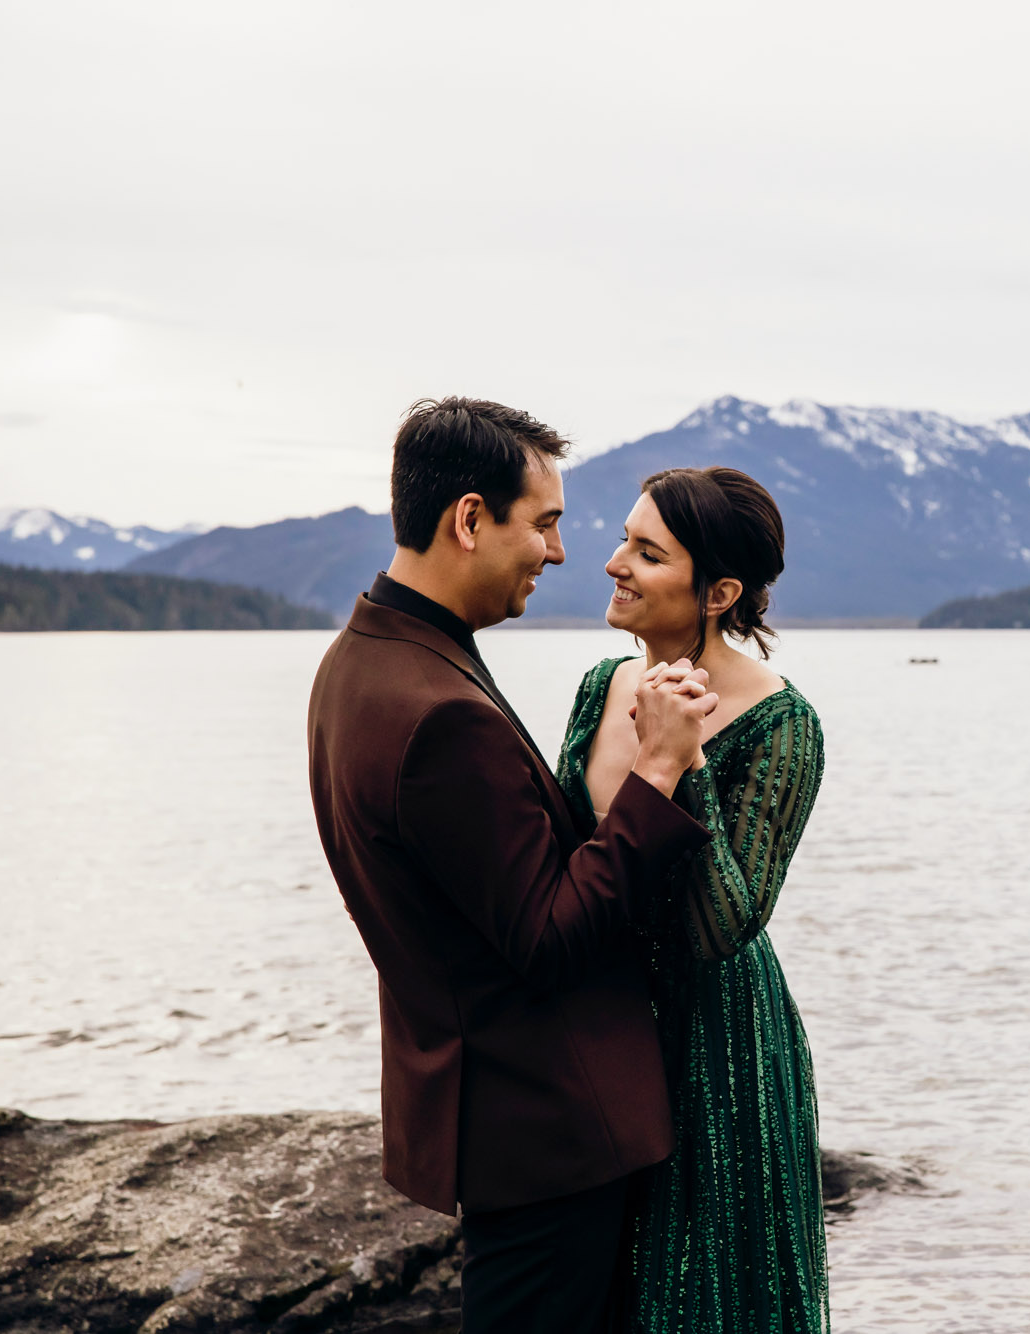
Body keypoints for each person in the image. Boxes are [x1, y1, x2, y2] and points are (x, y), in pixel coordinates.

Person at [306, 397, 720, 1334]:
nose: (561, 552)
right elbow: (547, 935)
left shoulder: (359, 663)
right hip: (550, 1131)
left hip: (492, 1117)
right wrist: (655, 769)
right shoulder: (438, 711)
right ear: (468, 520)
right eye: (543, 524)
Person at [556, 466, 829, 1333]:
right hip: (602, 1036)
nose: (612, 565)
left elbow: (721, 926)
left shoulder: (782, 725)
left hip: (718, 1053)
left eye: (646, 552)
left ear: (719, 592)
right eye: (623, 541)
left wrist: (684, 761)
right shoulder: (601, 687)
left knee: (705, 1303)